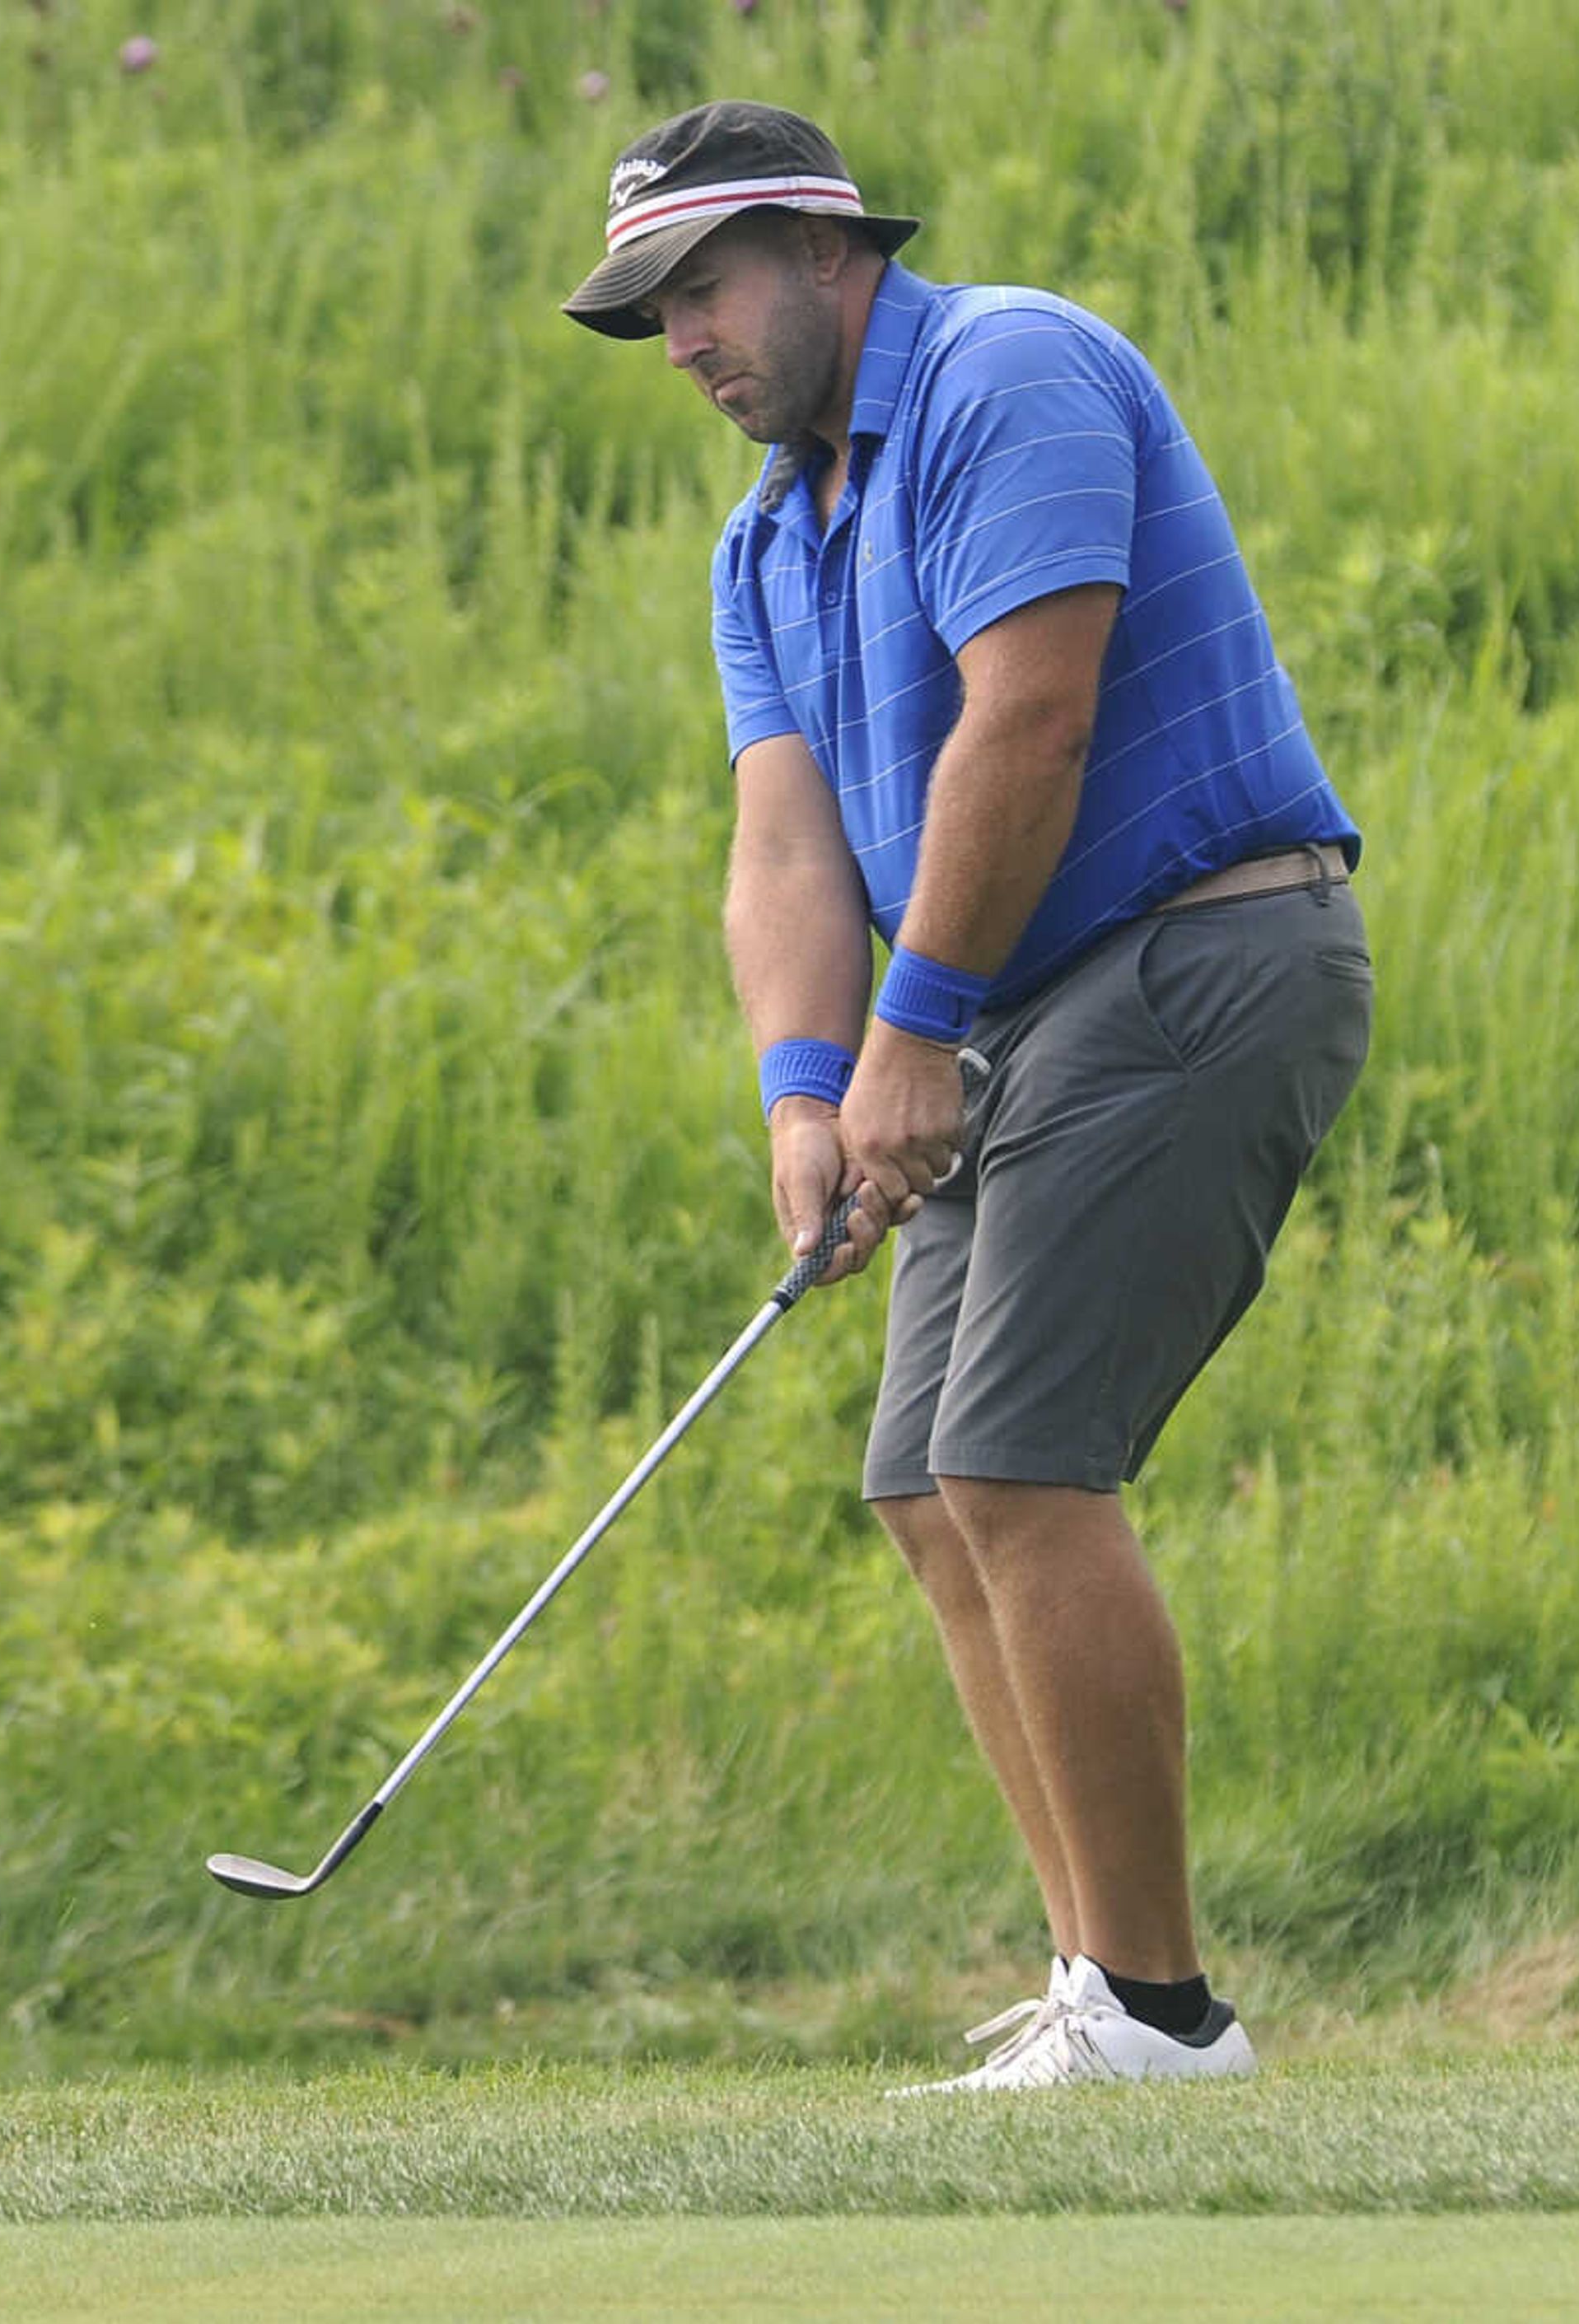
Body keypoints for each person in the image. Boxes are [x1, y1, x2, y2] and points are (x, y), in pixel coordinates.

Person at [563, 100, 1371, 2088]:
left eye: (702, 288)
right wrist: (806, 1095)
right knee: (926, 1485)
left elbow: (1035, 719)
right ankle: (1103, 1992)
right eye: (650, 311)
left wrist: (916, 1037)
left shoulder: (1008, 370)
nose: (680, 341)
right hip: (1011, 1008)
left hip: (1195, 947)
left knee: (1015, 1463)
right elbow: (787, 847)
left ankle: (1169, 2017)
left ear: (829, 253)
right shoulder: (770, 537)